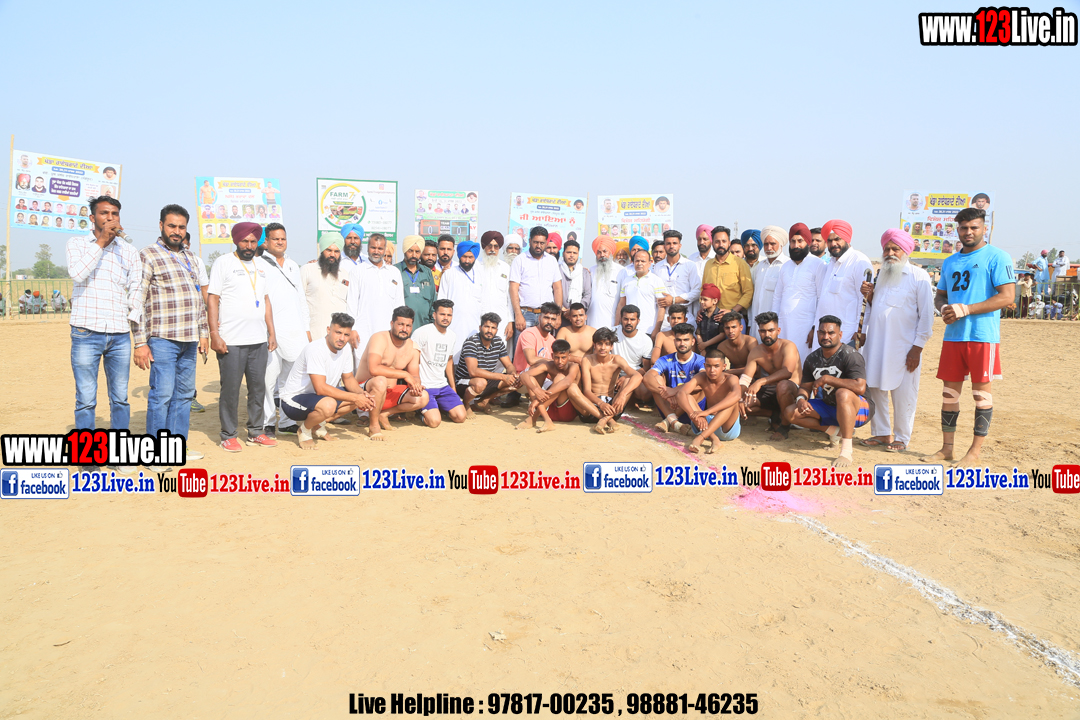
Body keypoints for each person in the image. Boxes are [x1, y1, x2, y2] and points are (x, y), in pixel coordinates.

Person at [922, 206, 1014, 467]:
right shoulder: (950, 261)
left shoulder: (998, 256)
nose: (969, 232)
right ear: (957, 230)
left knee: (981, 395)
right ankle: (947, 449)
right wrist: (943, 308)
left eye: (974, 227)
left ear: (985, 228)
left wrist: (967, 309)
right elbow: (941, 295)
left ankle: (974, 452)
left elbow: (1007, 296)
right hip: (953, 337)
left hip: (982, 336)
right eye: (964, 228)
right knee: (949, 394)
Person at [129, 204, 208, 464]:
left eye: (181, 227)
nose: (177, 231)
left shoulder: (191, 257)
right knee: (161, 396)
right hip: (162, 339)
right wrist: (140, 342)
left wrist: (204, 333)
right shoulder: (147, 255)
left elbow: (198, 298)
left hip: (189, 340)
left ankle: (176, 448)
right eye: (172, 226)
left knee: (183, 397)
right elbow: (137, 300)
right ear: (161, 225)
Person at [855, 229, 934, 453]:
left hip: (904, 347)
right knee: (875, 387)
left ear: (906, 251)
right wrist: (869, 295)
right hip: (877, 343)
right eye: (887, 249)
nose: (890, 253)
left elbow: (926, 316)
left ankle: (901, 437)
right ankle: (882, 433)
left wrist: (917, 348)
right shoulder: (881, 275)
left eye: (895, 249)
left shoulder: (919, 276)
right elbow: (876, 307)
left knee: (904, 393)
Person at [67, 195, 140, 432]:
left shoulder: (129, 251)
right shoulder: (77, 244)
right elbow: (78, 274)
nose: (110, 218)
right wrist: (101, 242)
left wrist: (133, 323)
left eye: (114, 214)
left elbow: (137, 288)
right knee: (86, 398)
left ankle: (119, 448)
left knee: (120, 398)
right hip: (86, 332)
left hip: (119, 334)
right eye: (104, 213)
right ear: (92, 217)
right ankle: (87, 452)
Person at [208, 222, 278, 451]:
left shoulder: (262, 265)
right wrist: (214, 334)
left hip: (258, 340)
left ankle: (256, 432)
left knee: (258, 389)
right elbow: (213, 298)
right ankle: (228, 435)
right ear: (236, 241)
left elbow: (266, 300)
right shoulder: (223, 262)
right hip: (231, 340)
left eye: (253, 241)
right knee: (230, 390)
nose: (249, 246)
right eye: (244, 241)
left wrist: (271, 332)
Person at [782, 315, 873, 467]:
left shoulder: (851, 355)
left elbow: (860, 387)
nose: (826, 337)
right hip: (830, 405)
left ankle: (846, 452)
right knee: (791, 412)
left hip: (859, 410)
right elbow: (805, 387)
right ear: (817, 333)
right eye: (822, 333)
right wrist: (801, 399)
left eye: (831, 333)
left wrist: (828, 379)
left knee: (842, 393)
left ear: (840, 334)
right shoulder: (812, 358)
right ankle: (835, 432)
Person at [280, 312, 375, 449]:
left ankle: (317, 425)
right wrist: (355, 397)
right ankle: (304, 430)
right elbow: (320, 388)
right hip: (293, 401)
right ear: (328, 330)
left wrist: (361, 394)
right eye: (338, 332)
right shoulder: (316, 349)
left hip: (318, 398)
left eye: (346, 335)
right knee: (330, 404)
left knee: (358, 398)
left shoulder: (345, 349)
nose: (342, 338)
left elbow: (348, 378)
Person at [258, 222, 311, 437]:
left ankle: (288, 421)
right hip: (270, 331)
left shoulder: (292, 265)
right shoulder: (258, 264)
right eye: (275, 239)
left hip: (295, 331)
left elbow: (301, 299)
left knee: (292, 380)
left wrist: (306, 329)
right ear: (266, 242)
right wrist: (268, 330)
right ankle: (268, 422)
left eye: (283, 238)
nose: (280, 242)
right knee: (269, 380)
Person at [353, 307, 430, 439]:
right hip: (364, 393)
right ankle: (373, 426)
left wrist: (416, 384)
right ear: (392, 323)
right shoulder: (379, 338)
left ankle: (384, 414)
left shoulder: (412, 347)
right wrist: (405, 375)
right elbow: (374, 369)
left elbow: (414, 375)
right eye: (400, 324)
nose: (404, 329)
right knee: (380, 380)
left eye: (408, 326)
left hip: (388, 395)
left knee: (423, 396)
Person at [771, 223, 827, 366]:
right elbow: (777, 296)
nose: (796, 245)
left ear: (807, 242)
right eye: (793, 241)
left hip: (806, 326)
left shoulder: (818, 264)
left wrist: (815, 327)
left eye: (800, 241)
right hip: (784, 324)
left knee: (803, 363)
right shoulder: (785, 266)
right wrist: (774, 323)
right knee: (784, 362)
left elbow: (822, 298)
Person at [740, 311, 802, 439]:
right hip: (770, 390)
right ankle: (775, 414)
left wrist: (760, 381)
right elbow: (745, 379)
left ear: (778, 330)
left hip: (791, 391)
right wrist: (739, 399)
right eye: (763, 331)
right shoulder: (756, 351)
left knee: (783, 385)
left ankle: (784, 426)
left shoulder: (788, 346)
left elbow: (787, 372)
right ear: (759, 332)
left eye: (771, 330)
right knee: (741, 404)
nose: (767, 334)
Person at [347, 232, 406, 366]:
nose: (376, 251)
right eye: (373, 247)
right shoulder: (358, 271)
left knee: (387, 367)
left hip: (388, 332)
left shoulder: (394, 272)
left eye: (380, 248)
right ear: (367, 248)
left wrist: (399, 329)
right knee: (363, 369)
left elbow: (399, 304)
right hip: (363, 331)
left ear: (385, 249)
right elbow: (351, 303)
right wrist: (353, 329)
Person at [815, 219, 874, 351]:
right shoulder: (831, 263)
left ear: (847, 239)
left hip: (847, 332)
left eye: (837, 239)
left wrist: (861, 330)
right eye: (829, 241)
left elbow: (864, 299)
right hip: (825, 332)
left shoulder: (859, 261)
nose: (833, 244)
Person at [674, 348, 742, 454]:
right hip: (704, 424)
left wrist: (707, 412)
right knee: (687, 397)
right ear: (704, 366)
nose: (712, 370)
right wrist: (693, 414)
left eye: (716, 366)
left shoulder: (731, 378)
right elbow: (681, 393)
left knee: (732, 400)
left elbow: (737, 395)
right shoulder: (701, 377)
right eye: (709, 366)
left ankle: (700, 438)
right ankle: (714, 439)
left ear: (724, 366)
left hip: (726, 428)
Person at [412, 299, 467, 427]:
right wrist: (416, 383)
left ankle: (439, 408)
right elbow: (412, 359)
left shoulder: (452, 336)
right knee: (434, 422)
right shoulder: (421, 332)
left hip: (442, 385)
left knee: (460, 417)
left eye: (449, 315)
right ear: (434, 315)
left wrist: (453, 387)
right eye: (442, 314)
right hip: (425, 386)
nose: (446, 318)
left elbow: (449, 361)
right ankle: (418, 412)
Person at [509, 226, 563, 357]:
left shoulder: (552, 261)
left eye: (542, 243)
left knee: (544, 352)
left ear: (546, 243)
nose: (539, 246)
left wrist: (558, 315)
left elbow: (557, 288)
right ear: (529, 241)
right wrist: (518, 314)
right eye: (535, 242)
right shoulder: (520, 260)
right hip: (525, 314)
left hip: (546, 315)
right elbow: (513, 288)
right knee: (522, 353)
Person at [577, 327, 642, 433]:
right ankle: (608, 420)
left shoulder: (616, 360)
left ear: (611, 346)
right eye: (600, 344)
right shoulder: (587, 360)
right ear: (594, 345)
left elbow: (638, 376)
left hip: (612, 408)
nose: (603, 348)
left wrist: (622, 395)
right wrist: (601, 404)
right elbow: (587, 391)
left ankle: (605, 419)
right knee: (572, 387)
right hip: (591, 408)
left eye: (607, 344)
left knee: (628, 380)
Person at [644, 323, 705, 433]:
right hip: (670, 406)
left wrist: (675, 391)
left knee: (699, 384)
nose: (682, 343)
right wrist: (666, 394)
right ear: (674, 341)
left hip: (692, 409)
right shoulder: (665, 359)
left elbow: (704, 382)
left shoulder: (700, 360)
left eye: (686, 340)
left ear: (693, 342)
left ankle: (669, 422)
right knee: (656, 380)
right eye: (679, 340)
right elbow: (647, 378)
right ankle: (674, 421)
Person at [455, 312, 519, 415]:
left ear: (496, 330)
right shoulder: (471, 343)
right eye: (487, 327)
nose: (489, 331)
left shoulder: (498, 342)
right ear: (480, 327)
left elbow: (509, 365)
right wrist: (502, 377)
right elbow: (473, 371)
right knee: (480, 383)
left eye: (493, 328)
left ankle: (484, 401)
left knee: (518, 381)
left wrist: (512, 374)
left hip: (486, 380)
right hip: (465, 382)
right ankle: (466, 404)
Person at [516, 339, 582, 432]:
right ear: (552, 356)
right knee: (530, 379)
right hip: (549, 408)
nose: (560, 361)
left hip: (566, 412)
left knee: (560, 377)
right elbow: (524, 375)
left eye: (563, 357)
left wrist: (539, 399)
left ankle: (533, 418)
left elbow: (567, 382)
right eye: (556, 357)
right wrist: (536, 390)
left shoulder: (573, 366)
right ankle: (547, 421)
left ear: (569, 356)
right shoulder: (549, 365)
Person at [437, 239, 484, 358]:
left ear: (475, 258)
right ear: (459, 256)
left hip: (474, 326)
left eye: (470, 257)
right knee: (452, 357)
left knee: (472, 358)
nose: (467, 260)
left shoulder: (480, 275)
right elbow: (441, 302)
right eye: (464, 257)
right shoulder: (449, 274)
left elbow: (483, 303)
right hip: (453, 326)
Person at [701, 225, 753, 324]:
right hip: (711, 318)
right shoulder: (708, 264)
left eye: (724, 241)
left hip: (733, 318)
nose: (721, 244)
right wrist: (702, 308)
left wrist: (732, 311)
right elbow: (703, 290)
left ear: (729, 242)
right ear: (712, 243)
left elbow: (748, 293)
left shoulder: (740, 264)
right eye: (717, 242)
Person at [301, 234, 351, 339]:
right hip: (314, 334)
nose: (332, 254)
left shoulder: (345, 274)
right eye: (329, 250)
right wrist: (306, 331)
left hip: (340, 336)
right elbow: (299, 303)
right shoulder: (307, 270)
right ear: (322, 250)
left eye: (336, 251)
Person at [653, 230, 702, 331]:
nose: (671, 246)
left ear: (680, 245)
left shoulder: (690, 265)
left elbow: (697, 291)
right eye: (668, 243)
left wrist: (674, 300)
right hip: (665, 319)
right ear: (664, 246)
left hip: (685, 316)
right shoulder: (657, 267)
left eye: (674, 243)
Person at [616, 249, 667, 339]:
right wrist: (616, 326)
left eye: (643, 261)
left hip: (648, 330)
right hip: (629, 329)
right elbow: (621, 304)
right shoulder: (627, 280)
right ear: (633, 262)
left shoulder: (656, 280)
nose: (639, 263)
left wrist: (657, 329)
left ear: (650, 263)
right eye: (637, 261)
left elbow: (661, 307)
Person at [750, 226, 789, 334]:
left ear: (781, 244)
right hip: (756, 322)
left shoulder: (787, 265)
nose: (769, 247)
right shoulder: (760, 266)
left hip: (774, 325)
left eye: (773, 244)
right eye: (766, 244)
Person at [476, 230, 514, 344]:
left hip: (501, 319)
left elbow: (509, 297)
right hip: (479, 318)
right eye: (489, 246)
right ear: (484, 247)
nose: (492, 249)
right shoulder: (475, 267)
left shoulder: (506, 268)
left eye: (496, 247)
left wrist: (510, 321)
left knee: (499, 349)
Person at [396, 234, 436, 329]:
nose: (414, 255)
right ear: (404, 250)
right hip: (402, 327)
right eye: (410, 251)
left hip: (424, 326)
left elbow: (433, 301)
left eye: (417, 252)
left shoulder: (427, 272)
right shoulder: (395, 270)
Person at [513, 302, 561, 376]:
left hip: (544, 377)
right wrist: (555, 361)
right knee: (542, 366)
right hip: (524, 376)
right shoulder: (529, 334)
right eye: (546, 318)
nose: (549, 322)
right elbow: (531, 360)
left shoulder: (552, 340)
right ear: (539, 318)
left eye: (553, 319)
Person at [588, 235, 620, 329]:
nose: (602, 255)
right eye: (599, 252)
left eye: (605, 251)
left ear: (611, 252)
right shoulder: (591, 271)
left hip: (612, 325)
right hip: (592, 324)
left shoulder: (621, 271)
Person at [558, 238, 592, 322]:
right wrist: (561, 308)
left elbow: (587, 295)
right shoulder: (557, 270)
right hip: (559, 315)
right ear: (563, 253)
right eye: (569, 252)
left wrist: (574, 310)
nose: (572, 255)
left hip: (578, 318)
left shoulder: (584, 272)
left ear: (578, 254)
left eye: (574, 253)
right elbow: (552, 291)